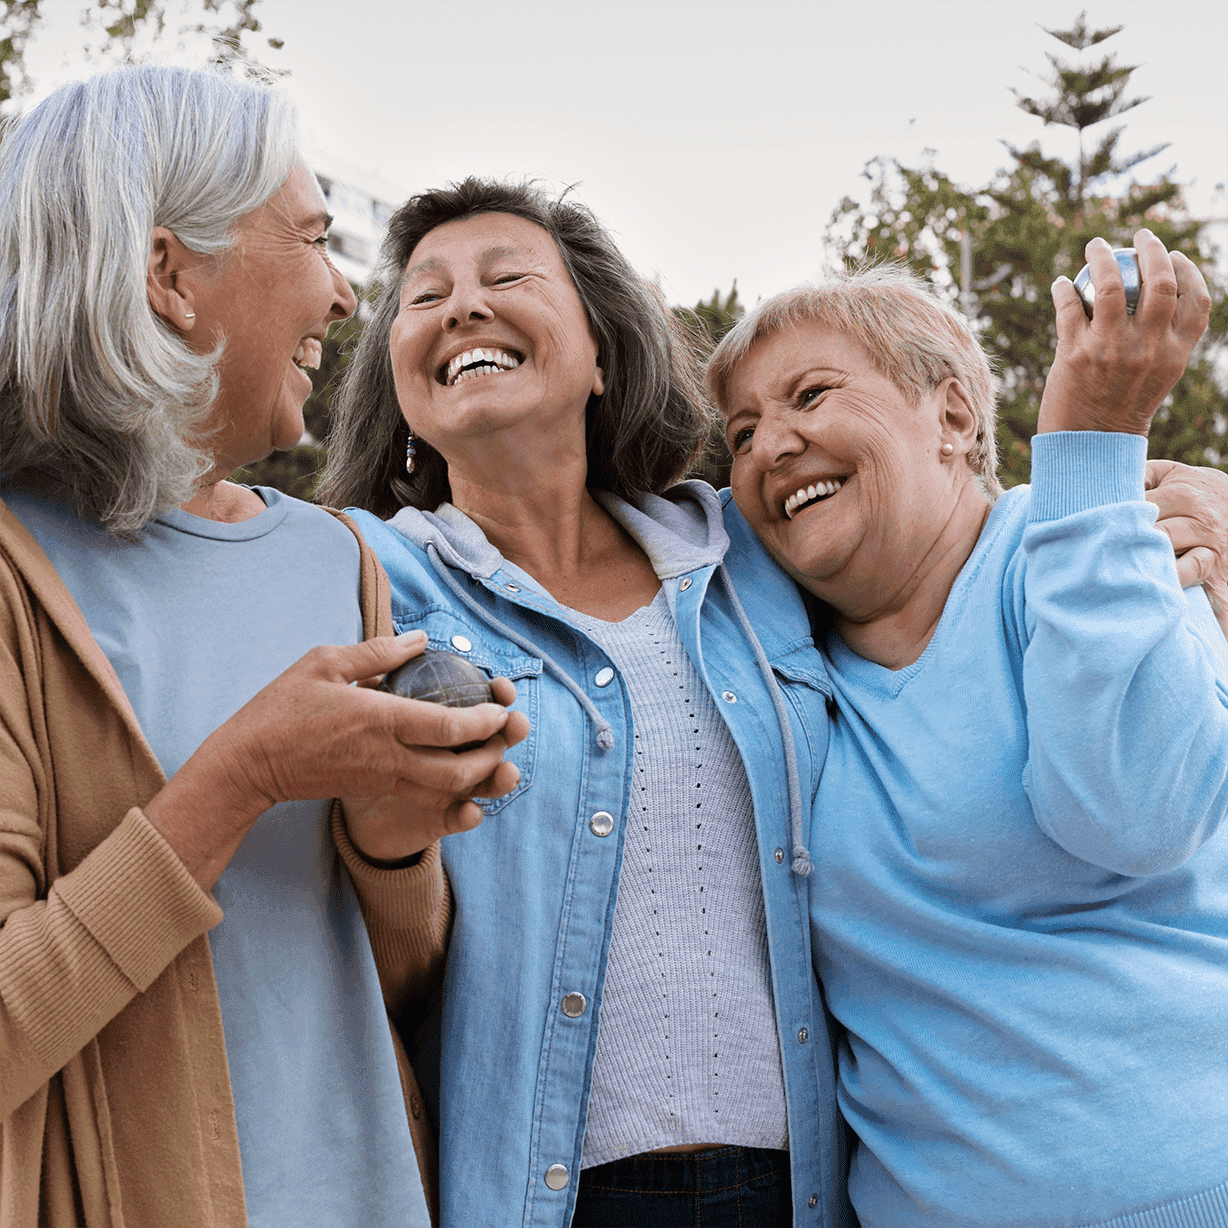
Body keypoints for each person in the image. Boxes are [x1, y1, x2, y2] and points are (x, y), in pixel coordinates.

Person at [0, 67, 527, 1227]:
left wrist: (393, 844)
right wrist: (244, 778)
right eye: (315, 239)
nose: (348, 297)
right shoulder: (12, 580)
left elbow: (385, 986)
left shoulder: (337, 560)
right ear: (169, 274)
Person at [321, 178, 852, 1228]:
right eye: (422, 298)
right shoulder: (358, 578)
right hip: (542, 1199)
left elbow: (943, 538)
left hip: (801, 1187)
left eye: (507, 277)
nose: (462, 307)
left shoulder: (746, 552)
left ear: (601, 355)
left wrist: (1168, 494)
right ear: (404, 391)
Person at [710, 234, 1228, 1227]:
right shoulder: (776, 674)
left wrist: (1092, 450)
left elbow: (1138, 814)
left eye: (810, 395)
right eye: (739, 433)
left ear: (950, 413)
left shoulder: (1088, 546)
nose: (770, 445)